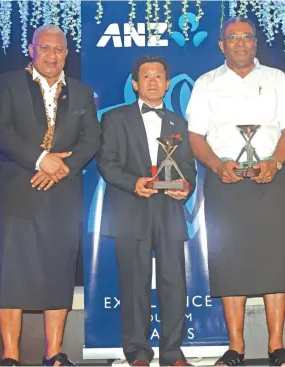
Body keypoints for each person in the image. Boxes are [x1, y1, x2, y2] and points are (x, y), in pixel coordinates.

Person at [185, 16, 285, 367]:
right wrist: (215, 165)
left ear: (256, 43)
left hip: (271, 178)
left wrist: (277, 162)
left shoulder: (276, 78)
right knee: (230, 262)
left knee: (274, 260)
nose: (240, 43)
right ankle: (235, 347)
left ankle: (276, 346)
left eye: (247, 37)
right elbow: (195, 136)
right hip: (226, 180)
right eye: (232, 38)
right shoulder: (206, 83)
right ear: (222, 45)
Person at [0, 24, 101, 366]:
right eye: (45, 48)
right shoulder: (8, 84)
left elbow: (91, 140)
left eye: (59, 49)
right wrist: (41, 159)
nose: (52, 55)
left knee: (58, 273)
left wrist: (60, 169)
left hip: (62, 196)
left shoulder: (81, 93)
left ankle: (54, 354)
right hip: (17, 192)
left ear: (67, 53)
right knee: (12, 276)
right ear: (32, 50)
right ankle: (10, 355)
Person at [97, 55, 196, 367]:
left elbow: (189, 169)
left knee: (173, 284)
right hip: (130, 210)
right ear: (136, 84)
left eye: (159, 76)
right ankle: (138, 354)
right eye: (146, 76)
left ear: (167, 84)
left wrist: (186, 187)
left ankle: (172, 353)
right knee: (134, 286)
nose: (153, 80)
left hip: (169, 212)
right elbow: (106, 163)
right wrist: (133, 182)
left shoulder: (180, 125)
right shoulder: (114, 119)